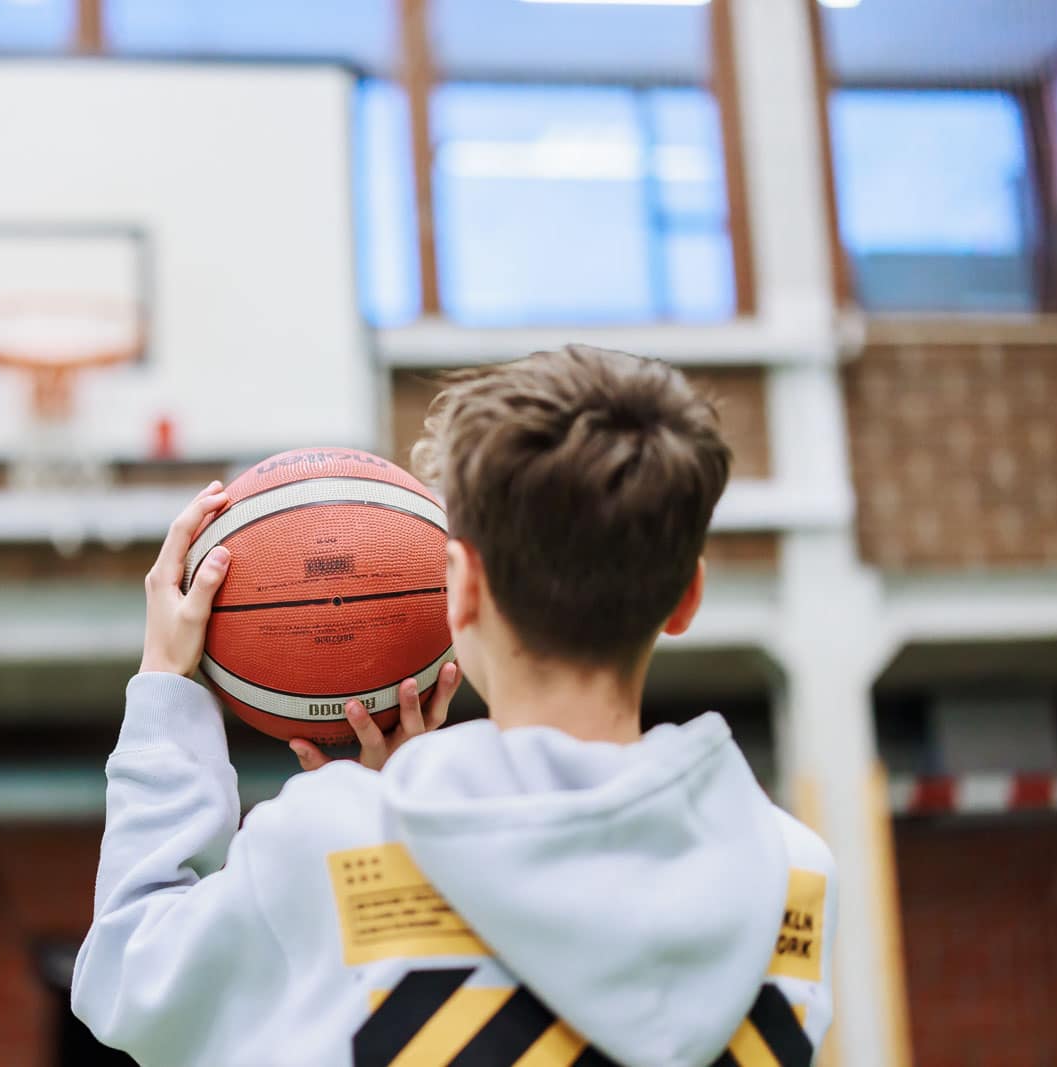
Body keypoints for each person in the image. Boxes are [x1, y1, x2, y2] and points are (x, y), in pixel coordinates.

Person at [72, 345, 836, 1067]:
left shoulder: (331, 847)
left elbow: (131, 978)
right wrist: (413, 797)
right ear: (687, 596)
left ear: (460, 589)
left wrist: (167, 687)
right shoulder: (795, 879)